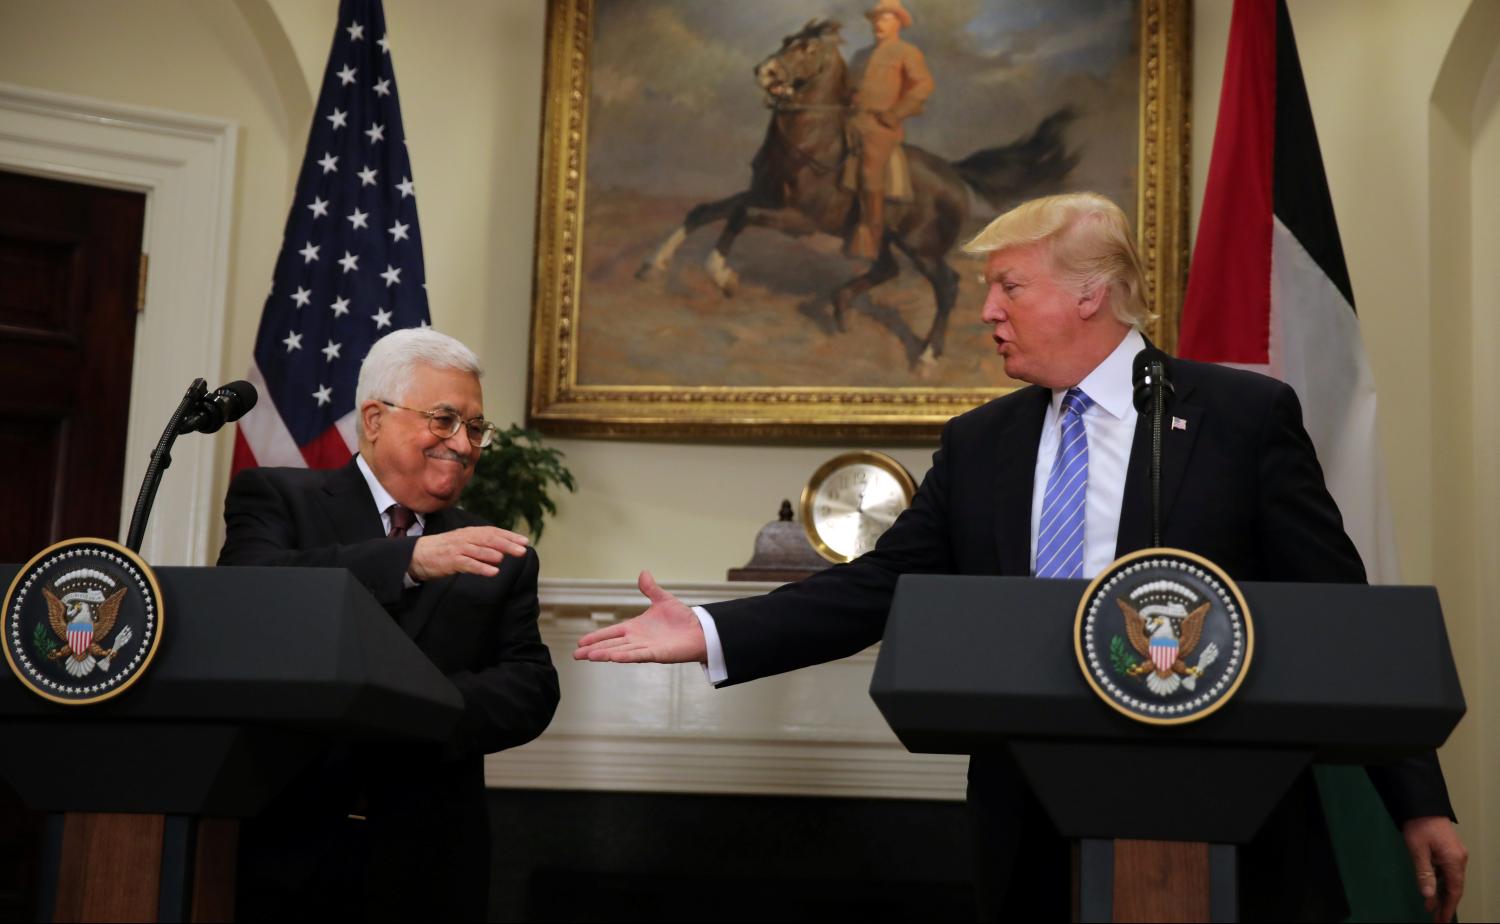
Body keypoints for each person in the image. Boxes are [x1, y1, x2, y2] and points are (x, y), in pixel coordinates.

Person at [576, 193, 1468, 921]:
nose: (988, 312)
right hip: (1034, 816)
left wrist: (1416, 798)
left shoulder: (1239, 417)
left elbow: (1336, 609)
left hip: (1228, 813)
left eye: (1007, 287)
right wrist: (707, 629)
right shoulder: (981, 442)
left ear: (1091, 292)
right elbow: (884, 586)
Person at [219, 327, 559, 921]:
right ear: (374, 418)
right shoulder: (276, 497)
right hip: (289, 851)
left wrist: (410, 708)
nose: (464, 443)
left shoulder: (497, 550)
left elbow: (530, 686)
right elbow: (253, 593)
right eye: (445, 420)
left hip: (430, 862)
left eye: (476, 427)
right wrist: (408, 561)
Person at [844, 0, 934, 261]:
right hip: (851, 121)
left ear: (898, 22)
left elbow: (922, 86)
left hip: (880, 126)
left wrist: (895, 113)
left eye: (884, 18)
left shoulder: (906, 52)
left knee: (870, 174)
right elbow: (847, 88)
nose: (877, 23)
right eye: (875, 18)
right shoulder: (860, 55)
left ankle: (870, 240)